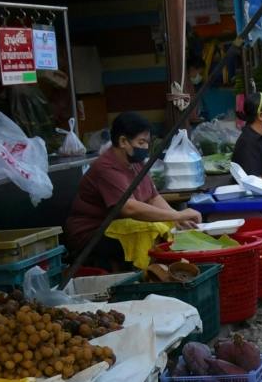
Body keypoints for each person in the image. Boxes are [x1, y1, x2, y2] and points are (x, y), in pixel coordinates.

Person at [64, 112, 200, 268]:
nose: (146, 148)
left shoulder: (135, 163)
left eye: (147, 143)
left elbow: (152, 197)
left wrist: (176, 218)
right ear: (123, 141)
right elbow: (129, 208)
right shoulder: (106, 168)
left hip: (120, 226)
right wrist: (177, 214)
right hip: (92, 235)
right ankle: (144, 274)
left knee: (171, 226)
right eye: (141, 142)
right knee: (151, 229)